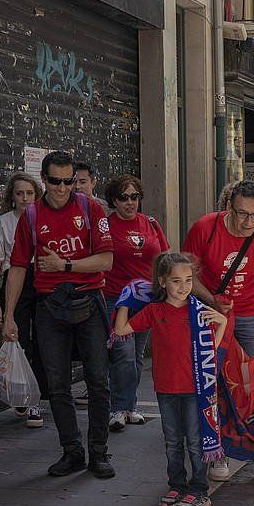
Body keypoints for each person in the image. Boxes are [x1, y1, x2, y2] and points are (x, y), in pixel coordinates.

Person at [3, 150, 116, 479]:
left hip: (89, 301)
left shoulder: (89, 207)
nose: (63, 188)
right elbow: (18, 267)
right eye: (56, 182)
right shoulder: (32, 216)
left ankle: (99, 453)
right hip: (49, 305)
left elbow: (106, 260)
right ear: (45, 180)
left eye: (69, 181)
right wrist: (9, 315)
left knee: (98, 381)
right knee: (57, 385)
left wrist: (65, 265)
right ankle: (72, 451)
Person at [182, 179, 254, 486]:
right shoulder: (205, 228)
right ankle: (216, 449)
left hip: (249, 314)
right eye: (242, 213)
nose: (248, 222)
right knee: (211, 383)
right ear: (229, 207)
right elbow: (185, 273)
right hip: (209, 312)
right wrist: (211, 299)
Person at [114, 252, 225, 506]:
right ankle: (176, 484)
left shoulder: (197, 311)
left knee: (195, 441)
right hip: (165, 388)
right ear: (162, 282)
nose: (183, 287)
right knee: (172, 440)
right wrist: (124, 301)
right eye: (176, 281)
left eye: (188, 280)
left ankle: (199, 489)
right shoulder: (154, 310)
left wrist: (222, 322)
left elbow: (211, 348)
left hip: (194, 388)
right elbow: (120, 331)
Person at [104, 174, 170, 431]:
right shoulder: (106, 226)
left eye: (135, 197)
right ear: (113, 200)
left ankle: (129, 406)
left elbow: (164, 256)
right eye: (123, 198)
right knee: (123, 351)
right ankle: (118, 408)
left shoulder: (151, 223)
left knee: (137, 355)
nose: (130, 203)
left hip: (147, 298)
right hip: (116, 298)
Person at [0, 173, 47, 429]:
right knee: (19, 340)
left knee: (45, 340)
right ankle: (24, 394)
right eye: (20, 193)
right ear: (12, 196)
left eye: (30, 193)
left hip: (43, 278)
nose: (25, 198)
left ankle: (38, 398)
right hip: (14, 281)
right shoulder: (2, 223)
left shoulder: (44, 220)